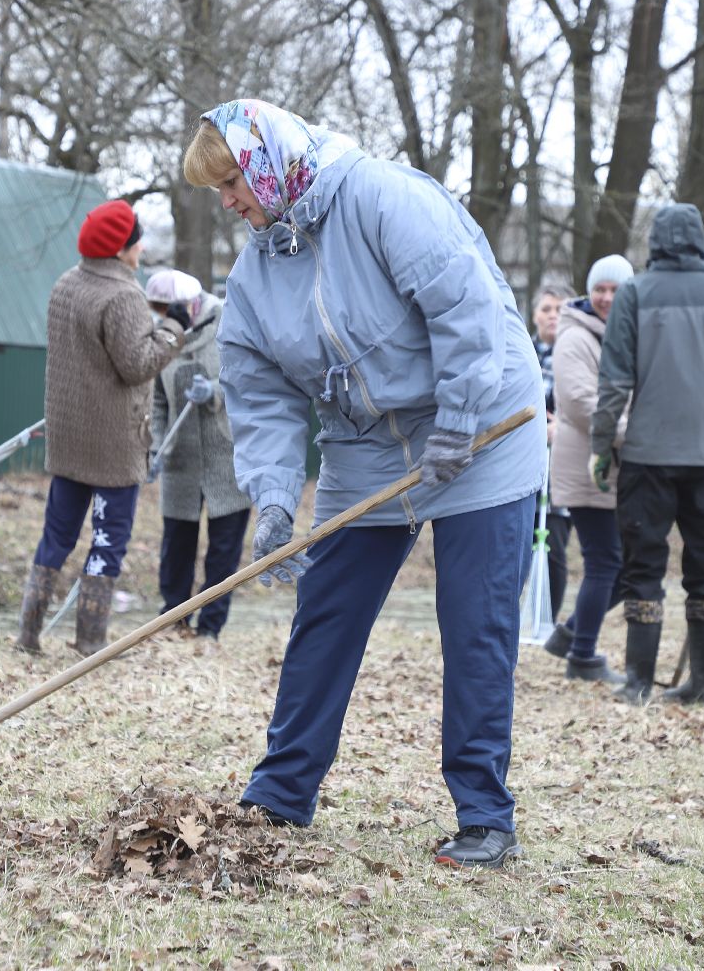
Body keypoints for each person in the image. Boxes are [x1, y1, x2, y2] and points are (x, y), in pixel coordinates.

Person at [182, 99, 545, 869]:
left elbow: (465, 307)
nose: (227, 202)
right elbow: (260, 394)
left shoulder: (382, 196)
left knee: (474, 624)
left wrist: (458, 417)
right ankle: (280, 794)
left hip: (482, 428)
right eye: (218, 192)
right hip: (366, 448)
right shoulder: (254, 271)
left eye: (230, 182)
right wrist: (275, 497)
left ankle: (484, 815)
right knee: (327, 613)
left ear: (266, 161)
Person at [590, 204, 704, 704]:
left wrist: (601, 446)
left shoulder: (635, 293)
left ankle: (639, 681)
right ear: (701, 239)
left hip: (648, 455)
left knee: (643, 564)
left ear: (656, 241)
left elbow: (615, 381)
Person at [17, 200, 188, 656]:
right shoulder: (124, 295)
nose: (140, 248)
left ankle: (28, 635)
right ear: (120, 249)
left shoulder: (65, 285)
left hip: (69, 436)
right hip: (114, 442)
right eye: (136, 240)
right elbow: (138, 365)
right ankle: (89, 640)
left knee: (56, 535)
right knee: (108, 540)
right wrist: (174, 328)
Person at [541, 256, 633, 684]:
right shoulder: (575, 336)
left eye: (616, 290)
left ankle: (572, 634)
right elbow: (580, 404)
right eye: (601, 289)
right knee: (605, 561)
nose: (607, 298)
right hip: (585, 465)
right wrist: (637, 434)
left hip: (616, 468)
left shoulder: (627, 335)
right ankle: (582, 656)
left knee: (627, 566)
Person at [146, 268, 252, 641]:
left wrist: (217, 393)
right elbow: (157, 401)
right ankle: (173, 623)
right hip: (180, 461)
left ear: (191, 304)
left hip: (227, 457)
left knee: (223, 549)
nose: (166, 320)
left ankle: (210, 628)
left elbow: (250, 378)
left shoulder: (228, 318)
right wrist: (155, 448)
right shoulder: (159, 334)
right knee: (176, 547)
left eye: (171, 312)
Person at [530, 285, 575, 619]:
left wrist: (562, 426)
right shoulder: (522, 353)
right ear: (535, 314)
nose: (552, 315)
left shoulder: (576, 355)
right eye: (546, 308)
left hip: (561, 467)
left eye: (559, 309)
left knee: (555, 544)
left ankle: (550, 619)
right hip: (525, 462)